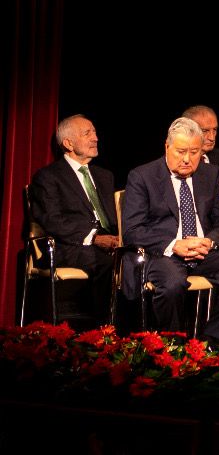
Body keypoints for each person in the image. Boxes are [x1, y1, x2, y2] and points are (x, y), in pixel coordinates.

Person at [121, 116, 219, 345]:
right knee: (173, 284)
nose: (186, 159)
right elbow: (132, 230)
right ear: (167, 147)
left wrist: (209, 241)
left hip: (202, 250)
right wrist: (175, 245)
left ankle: (211, 341)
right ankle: (172, 346)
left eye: (194, 152)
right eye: (180, 151)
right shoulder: (142, 176)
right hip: (162, 253)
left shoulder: (210, 174)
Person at [30, 114, 120, 325]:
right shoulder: (48, 177)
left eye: (95, 132)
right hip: (69, 246)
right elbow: (52, 219)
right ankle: (103, 331)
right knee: (107, 263)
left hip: (110, 242)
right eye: (87, 133)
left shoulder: (105, 176)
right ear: (68, 143)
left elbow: (114, 216)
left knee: (141, 259)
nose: (95, 138)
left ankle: (138, 331)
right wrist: (95, 238)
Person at [183, 105, 219, 179]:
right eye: (205, 131)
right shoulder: (177, 162)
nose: (212, 138)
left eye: (215, 130)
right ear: (187, 130)